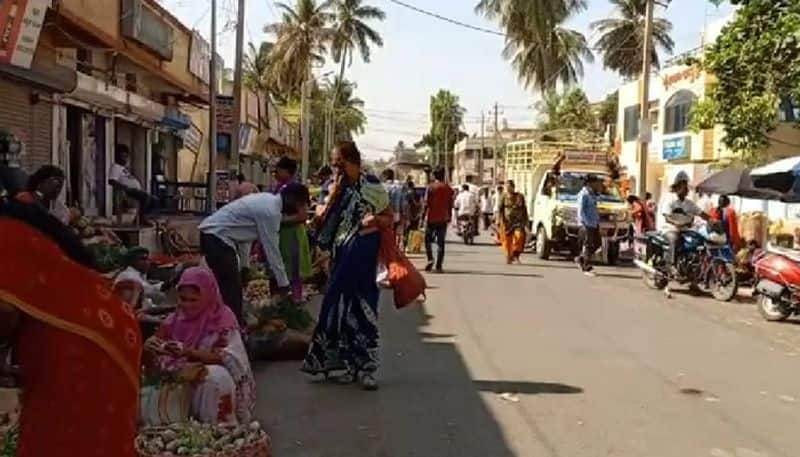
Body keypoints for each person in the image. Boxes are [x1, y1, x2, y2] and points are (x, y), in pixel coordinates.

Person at [0, 196, 141, 457]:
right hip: (104, 323)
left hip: (81, 336)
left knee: (61, 436)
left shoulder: (5, 232)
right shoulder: (21, 226)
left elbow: (5, 308)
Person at [302, 141, 391, 390]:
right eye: (334, 165)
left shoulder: (372, 187)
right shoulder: (331, 188)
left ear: (355, 162)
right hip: (339, 260)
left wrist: (375, 219)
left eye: (341, 164)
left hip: (363, 259)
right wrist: (329, 201)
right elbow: (320, 221)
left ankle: (367, 368)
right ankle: (337, 363)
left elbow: (390, 217)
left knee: (363, 311)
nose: (337, 170)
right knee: (334, 307)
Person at [145, 267, 255, 424]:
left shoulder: (222, 319)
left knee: (216, 377)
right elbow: (151, 365)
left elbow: (228, 357)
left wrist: (190, 353)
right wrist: (149, 348)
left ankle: (216, 427)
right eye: (183, 299)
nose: (187, 305)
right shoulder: (171, 322)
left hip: (206, 386)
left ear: (208, 296)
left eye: (193, 300)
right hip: (177, 385)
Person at [198, 187, 308, 324]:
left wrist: (244, 266)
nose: (299, 210)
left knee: (228, 287)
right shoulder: (270, 212)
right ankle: (232, 329)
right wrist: (284, 284)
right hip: (215, 236)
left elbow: (244, 235)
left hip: (214, 236)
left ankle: (225, 323)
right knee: (231, 289)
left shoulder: (267, 201)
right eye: (300, 205)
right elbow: (272, 251)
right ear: (293, 201)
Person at [658, 171, 710, 275]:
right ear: (677, 187)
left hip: (685, 230)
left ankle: (693, 272)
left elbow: (701, 213)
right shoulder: (670, 200)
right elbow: (667, 217)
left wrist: (713, 220)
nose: (686, 189)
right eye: (683, 186)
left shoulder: (689, 203)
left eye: (686, 186)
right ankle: (671, 265)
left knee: (698, 241)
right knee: (674, 239)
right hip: (669, 229)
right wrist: (676, 223)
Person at [109, 144, 157, 222]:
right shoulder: (115, 167)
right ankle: (141, 218)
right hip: (128, 191)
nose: (125, 159)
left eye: (126, 156)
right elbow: (111, 181)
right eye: (122, 156)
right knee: (146, 197)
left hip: (134, 189)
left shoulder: (123, 168)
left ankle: (142, 217)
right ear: (117, 156)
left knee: (154, 200)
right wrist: (125, 188)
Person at [423, 167, 454, 273]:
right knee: (441, 242)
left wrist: (422, 217)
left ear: (434, 175)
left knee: (427, 240)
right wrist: (449, 216)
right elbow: (450, 205)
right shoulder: (448, 188)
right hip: (443, 218)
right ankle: (439, 266)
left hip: (431, 218)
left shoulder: (430, 187)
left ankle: (430, 259)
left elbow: (426, 204)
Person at [576, 175, 603, 275]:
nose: (597, 184)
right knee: (588, 245)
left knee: (597, 244)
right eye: (595, 182)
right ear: (589, 183)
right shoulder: (584, 194)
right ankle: (586, 267)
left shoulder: (592, 194)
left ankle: (581, 258)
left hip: (594, 222)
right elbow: (581, 210)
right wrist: (583, 223)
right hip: (587, 223)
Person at [498, 180, 528, 264]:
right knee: (507, 240)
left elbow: (524, 209)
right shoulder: (503, 196)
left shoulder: (520, 196)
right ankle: (508, 256)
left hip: (518, 221)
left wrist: (526, 220)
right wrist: (499, 219)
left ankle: (515, 253)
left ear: (513, 187)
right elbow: (500, 209)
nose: (507, 188)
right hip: (507, 221)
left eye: (509, 187)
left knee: (519, 237)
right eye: (506, 187)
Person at [381, 168, 408, 248]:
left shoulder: (381, 187)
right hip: (396, 215)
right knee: (394, 235)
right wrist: (403, 215)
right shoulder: (399, 187)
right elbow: (403, 203)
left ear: (385, 176)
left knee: (384, 236)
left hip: (383, 215)